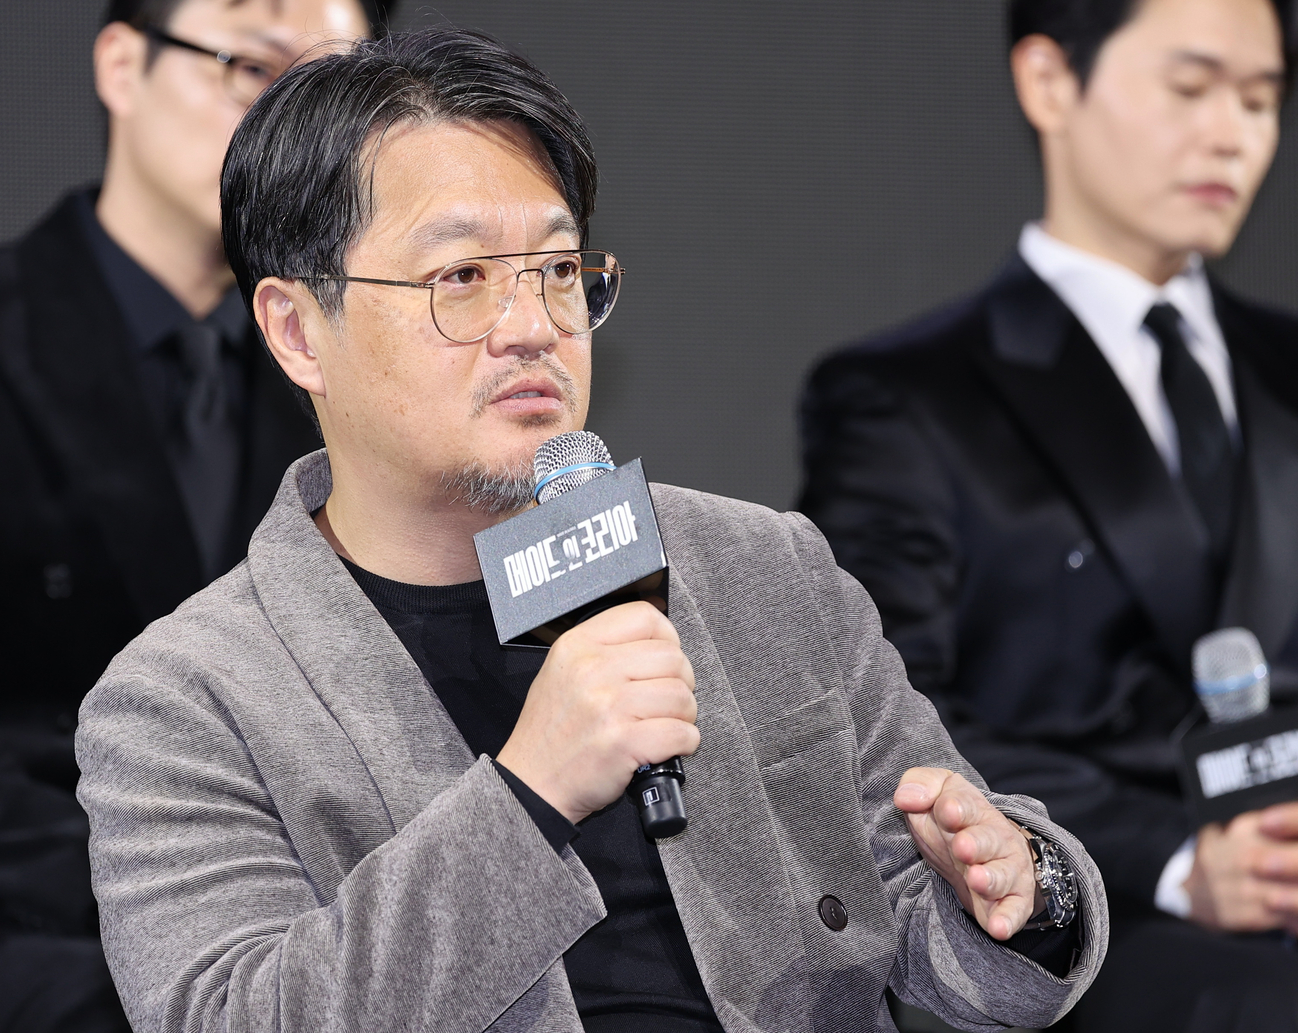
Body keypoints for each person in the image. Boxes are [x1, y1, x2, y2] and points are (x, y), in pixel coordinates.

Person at [77, 27, 1108, 1033]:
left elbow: (967, 954)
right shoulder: (181, 702)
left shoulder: (763, 571)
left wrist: (1025, 886)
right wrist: (530, 795)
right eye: (461, 278)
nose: (532, 323)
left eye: (558, 270)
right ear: (299, 330)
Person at [0, 1, 386, 1029]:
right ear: (120, 63)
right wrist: (171, 892)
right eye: (249, 63)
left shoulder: (351, 388)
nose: (283, 121)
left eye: (326, 85)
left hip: (285, 922)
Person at [798, 0, 1298, 1029]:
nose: (1232, 133)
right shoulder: (905, 397)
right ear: (1046, 83)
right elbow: (884, 713)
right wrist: (1171, 863)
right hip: (1110, 928)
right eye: (1189, 86)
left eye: (1260, 98)